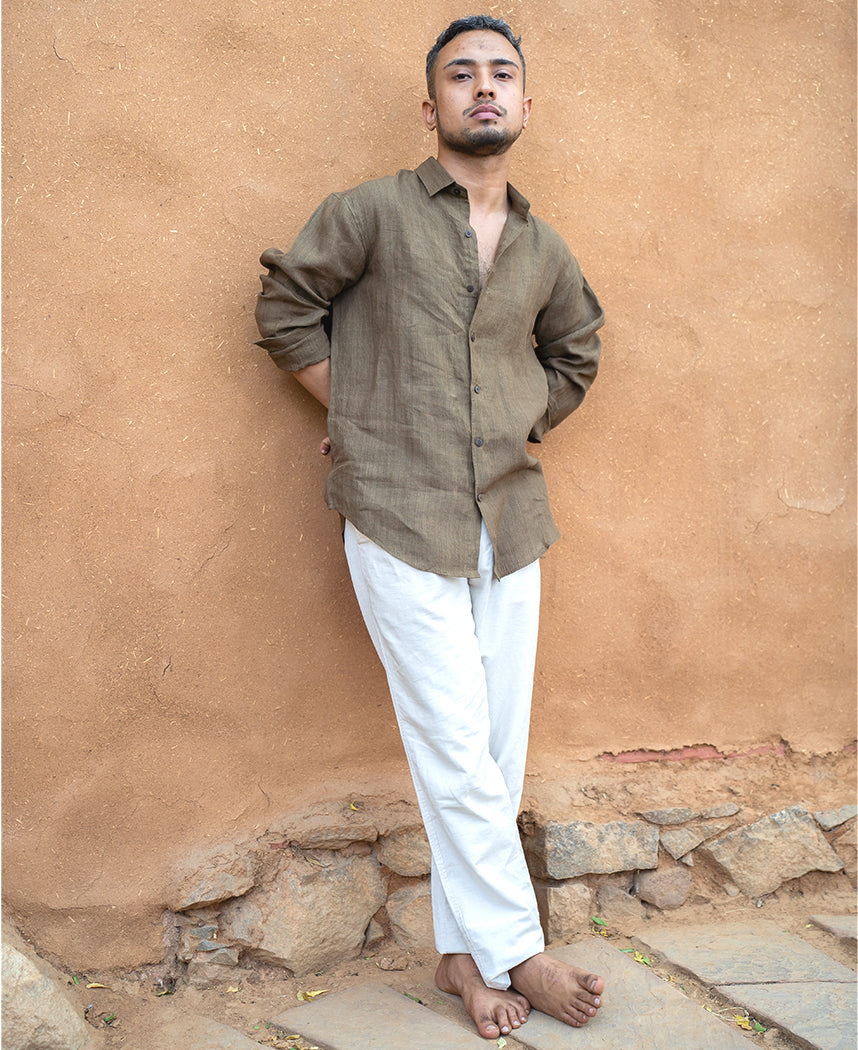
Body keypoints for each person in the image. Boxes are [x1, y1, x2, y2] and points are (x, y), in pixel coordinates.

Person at [255, 15, 606, 1040]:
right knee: (452, 744)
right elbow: (285, 309)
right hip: (395, 512)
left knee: (492, 753)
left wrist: (513, 418)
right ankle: (521, 951)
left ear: (526, 103)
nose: (483, 87)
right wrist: (358, 413)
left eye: (502, 74)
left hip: (511, 517)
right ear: (432, 105)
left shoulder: (543, 248)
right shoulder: (369, 212)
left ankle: (463, 958)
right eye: (462, 74)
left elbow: (577, 353)